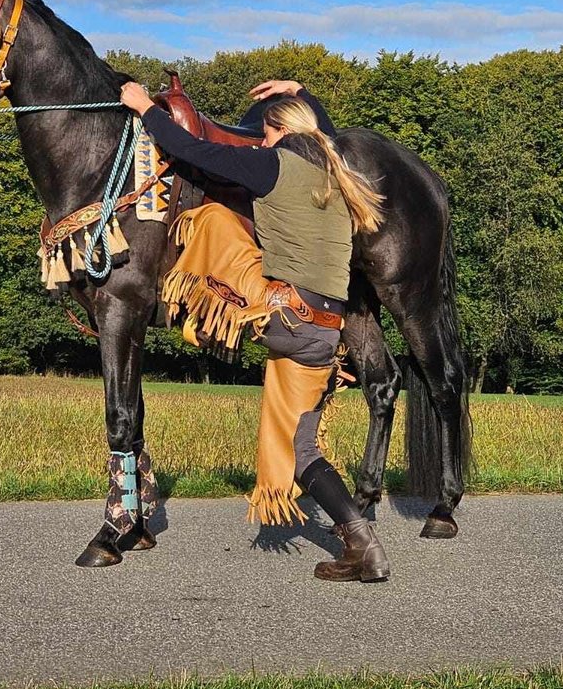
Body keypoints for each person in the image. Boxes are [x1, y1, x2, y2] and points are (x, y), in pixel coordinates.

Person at [120, 78, 391, 583]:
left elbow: (191, 150)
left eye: (264, 135)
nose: (260, 143)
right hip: (324, 331)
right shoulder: (333, 172)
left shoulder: (272, 165)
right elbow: (321, 129)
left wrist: (143, 110)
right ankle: (363, 548)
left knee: (212, 220)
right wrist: (302, 90)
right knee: (303, 450)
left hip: (282, 316)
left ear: (280, 132)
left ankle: (197, 312)